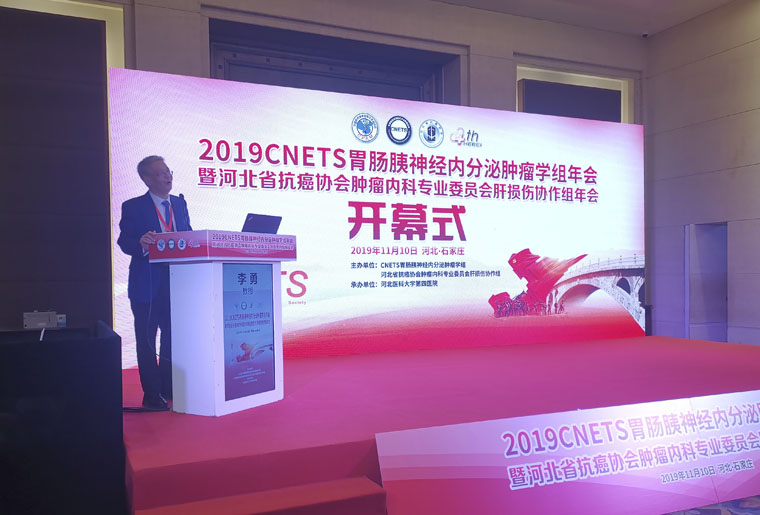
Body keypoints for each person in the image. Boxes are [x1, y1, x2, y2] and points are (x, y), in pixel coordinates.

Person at [117, 156, 192, 410]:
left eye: (169, 171)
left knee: (172, 338)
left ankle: (169, 387)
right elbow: (124, 241)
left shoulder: (179, 203)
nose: (167, 176)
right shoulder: (133, 206)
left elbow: (187, 234)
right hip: (146, 283)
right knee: (147, 340)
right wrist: (141, 243)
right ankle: (152, 394)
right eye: (161, 173)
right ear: (147, 179)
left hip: (175, 282)